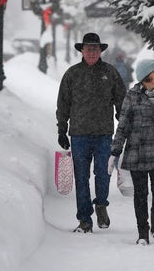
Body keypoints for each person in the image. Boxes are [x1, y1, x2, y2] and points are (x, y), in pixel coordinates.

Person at [56, 32, 127, 233]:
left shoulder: (110, 73)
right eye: (88, 49)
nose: (92, 52)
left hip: (104, 134)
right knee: (81, 177)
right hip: (78, 135)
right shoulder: (72, 74)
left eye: (95, 49)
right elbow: (63, 104)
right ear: (82, 51)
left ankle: (101, 204)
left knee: (103, 173)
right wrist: (62, 129)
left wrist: (123, 126)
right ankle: (85, 220)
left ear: (100, 51)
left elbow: (121, 102)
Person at [108, 59, 154, 245]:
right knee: (140, 194)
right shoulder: (132, 95)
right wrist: (115, 152)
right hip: (137, 150)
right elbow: (122, 125)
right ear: (146, 76)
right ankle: (143, 233)